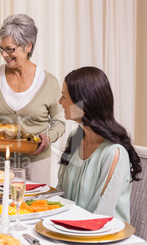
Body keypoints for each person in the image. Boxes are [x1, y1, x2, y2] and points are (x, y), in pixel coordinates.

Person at [0, 14, 65, 184]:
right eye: (1, 49)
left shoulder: (49, 82)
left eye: (10, 49)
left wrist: (48, 137)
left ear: (28, 46)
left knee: (35, 207)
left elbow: (59, 122)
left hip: (37, 162)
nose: (4, 55)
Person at [56, 66, 142, 223]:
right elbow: (60, 194)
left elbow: (100, 216)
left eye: (64, 96)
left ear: (82, 102)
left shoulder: (113, 153)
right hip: (67, 229)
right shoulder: (74, 139)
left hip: (101, 239)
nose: (60, 102)